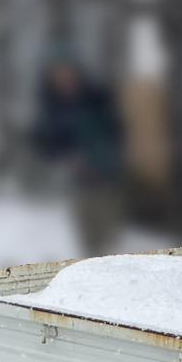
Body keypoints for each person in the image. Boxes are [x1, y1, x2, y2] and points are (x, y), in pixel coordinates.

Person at [32, 52, 126, 256]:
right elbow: (46, 144)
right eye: (58, 75)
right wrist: (67, 156)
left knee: (110, 241)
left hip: (106, 176)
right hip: (78, 182)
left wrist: (100, 154)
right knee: (88, 244)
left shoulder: (97, 98)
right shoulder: (52, 107)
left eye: (67, 73)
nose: (64, 79)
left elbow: (116, 130)